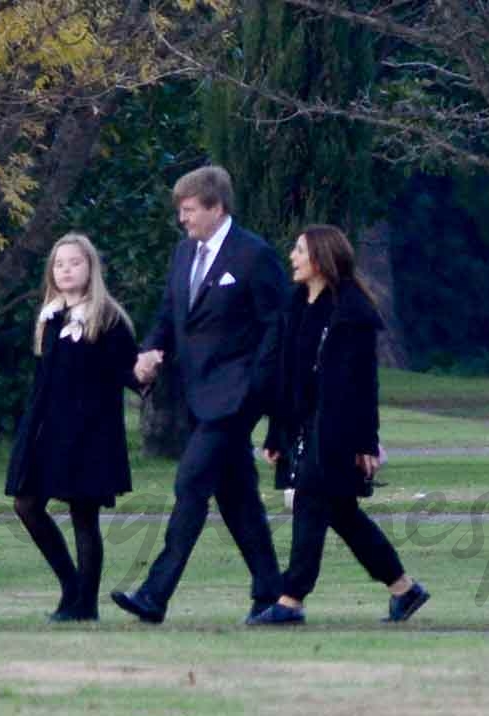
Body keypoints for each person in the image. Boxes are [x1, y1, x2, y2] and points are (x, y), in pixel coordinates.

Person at [110, 166, 284, 624]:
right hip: (197, 395)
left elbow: (275, 328)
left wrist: (257, 389)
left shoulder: (254, 255)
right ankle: (272, 592)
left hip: (234, 399)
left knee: (190, 484)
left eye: (188, 210)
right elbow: (171, 313)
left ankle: (155, 594)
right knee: (237, 497)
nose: (183, 220)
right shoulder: (184, 254)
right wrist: (149, 351)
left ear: (216, 208)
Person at [248, 225, 429, 625]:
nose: (292, 257)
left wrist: (366, 442)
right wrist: (277, 432)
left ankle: (290, 600)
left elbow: (363, 386)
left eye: (299, 251)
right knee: (343, 515)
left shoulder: (351, 313)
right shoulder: (295, 305)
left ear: (320, 258)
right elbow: (286, 377)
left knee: (310, 504)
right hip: (301, 428)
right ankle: (404, 589)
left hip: (336, 431)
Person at [6, 232, 139, 622]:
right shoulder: (50, 316)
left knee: (84, 514)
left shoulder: (108, 318)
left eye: (75, 263)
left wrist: (146, 371)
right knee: (26, 504)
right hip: (46, 427)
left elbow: (126, 371)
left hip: (89, 430)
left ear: (90, 267)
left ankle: (85, 605)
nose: (66, 270)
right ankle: (70, 585)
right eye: (59, 264)